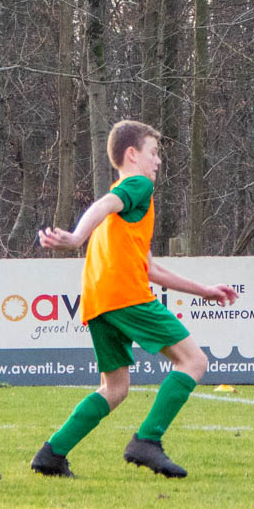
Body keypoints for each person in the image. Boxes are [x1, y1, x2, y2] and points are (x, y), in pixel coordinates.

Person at [29, 121, 236, 479]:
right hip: (125, 296)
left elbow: (150, 268)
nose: (158, 162)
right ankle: (147, 442)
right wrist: (78, 236)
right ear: (132, 154)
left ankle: (51, 454)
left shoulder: (126, 206)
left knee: (115, 388)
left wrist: (204, 290)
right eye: (154, 153)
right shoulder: (135, 186)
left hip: (99, 302)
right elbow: (104, 204)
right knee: (194, 362)